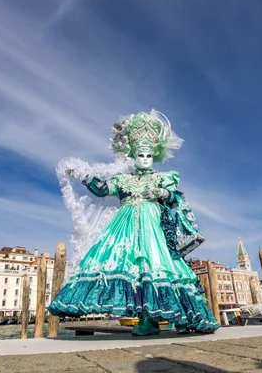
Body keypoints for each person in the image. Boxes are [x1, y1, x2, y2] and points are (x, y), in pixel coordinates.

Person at [48, 110, 220, 336]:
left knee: (159, 265)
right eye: (141, 155)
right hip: (124, 228)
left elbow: (176, 198)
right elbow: (102, 190)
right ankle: (147, 320)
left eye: (149, 156)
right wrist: (84, 175)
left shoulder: (162, 178)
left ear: (154, 157)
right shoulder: (123, 180)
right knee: (132, 269)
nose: (145, 159)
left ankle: (181, 317)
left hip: (153, 228)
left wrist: (160, 192)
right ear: (134, 156)